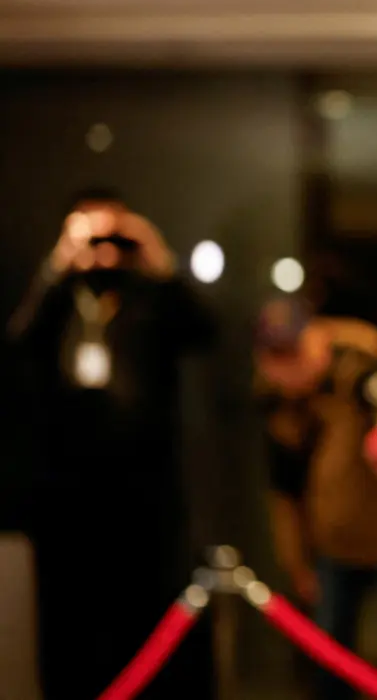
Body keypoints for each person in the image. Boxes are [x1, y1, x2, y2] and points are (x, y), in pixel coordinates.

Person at [7, 188, 216, 700]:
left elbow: (204, 331)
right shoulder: (59, 299)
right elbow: (19, 345)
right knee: (71, 620)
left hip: (145, 491)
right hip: (68, 492)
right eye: (92, 236)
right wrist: (59, 265)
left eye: (115, 236)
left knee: (143, 617)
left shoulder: (149, 297)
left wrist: (156, 257)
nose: (104, 249)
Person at [255, 296, 377, 699]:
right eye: (277, 358)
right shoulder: (280, 407)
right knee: (329, 653)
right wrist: (296, 562)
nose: (289, 368)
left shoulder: (358, 370)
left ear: (316, 340)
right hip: (331, 548)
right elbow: (284, 494)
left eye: (295, 353)